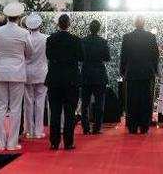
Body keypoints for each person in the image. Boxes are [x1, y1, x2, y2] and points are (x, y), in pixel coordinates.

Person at [0, 2, 33, 151]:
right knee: (15, 108)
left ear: (6, 16)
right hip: (17, 73)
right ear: (19, 16)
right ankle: (12, 143)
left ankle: (0, 143)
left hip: (0, 72)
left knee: (0, 107)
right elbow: (29, 52)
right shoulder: (24, 33)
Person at [46, 14, 84, 150]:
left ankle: (54, 142)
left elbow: (48, 56)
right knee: (69, 113)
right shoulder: (76, 40)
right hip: (71, 80)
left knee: (55, 112)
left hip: (54, 80)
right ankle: (68, 142)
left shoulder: (50, 39)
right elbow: (81, 57)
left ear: (58, 24)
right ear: (68, 24)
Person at [120, 15, 160, 134]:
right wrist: (155, 70)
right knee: (146, 101)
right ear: (144, 23)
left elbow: (124, 56)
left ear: (134, 23)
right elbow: (155, 56)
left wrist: (122, 71)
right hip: (147, 73)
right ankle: (144, 126)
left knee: (132, 101)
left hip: (132, 73)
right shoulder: (151, 37)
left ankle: (132, 126)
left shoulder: (127, 37)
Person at [81, 19, 111, 135]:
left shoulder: (83, 41)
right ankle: (97, 128)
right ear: (99, 29)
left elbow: (80, 57)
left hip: (86, 74)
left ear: (89, 28)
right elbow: (107, 58)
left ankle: (85, 128)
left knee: (85, 103)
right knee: (99, 103)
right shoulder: (103, 42)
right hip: (99, 74)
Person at [24, 13, 47, 139]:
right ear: (40, 25)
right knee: (40, 102)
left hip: (27, 73)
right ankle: (38, 131)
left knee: (28, 102)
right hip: (42, 73)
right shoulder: (46, 38)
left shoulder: (26, 38)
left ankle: (29, 130)